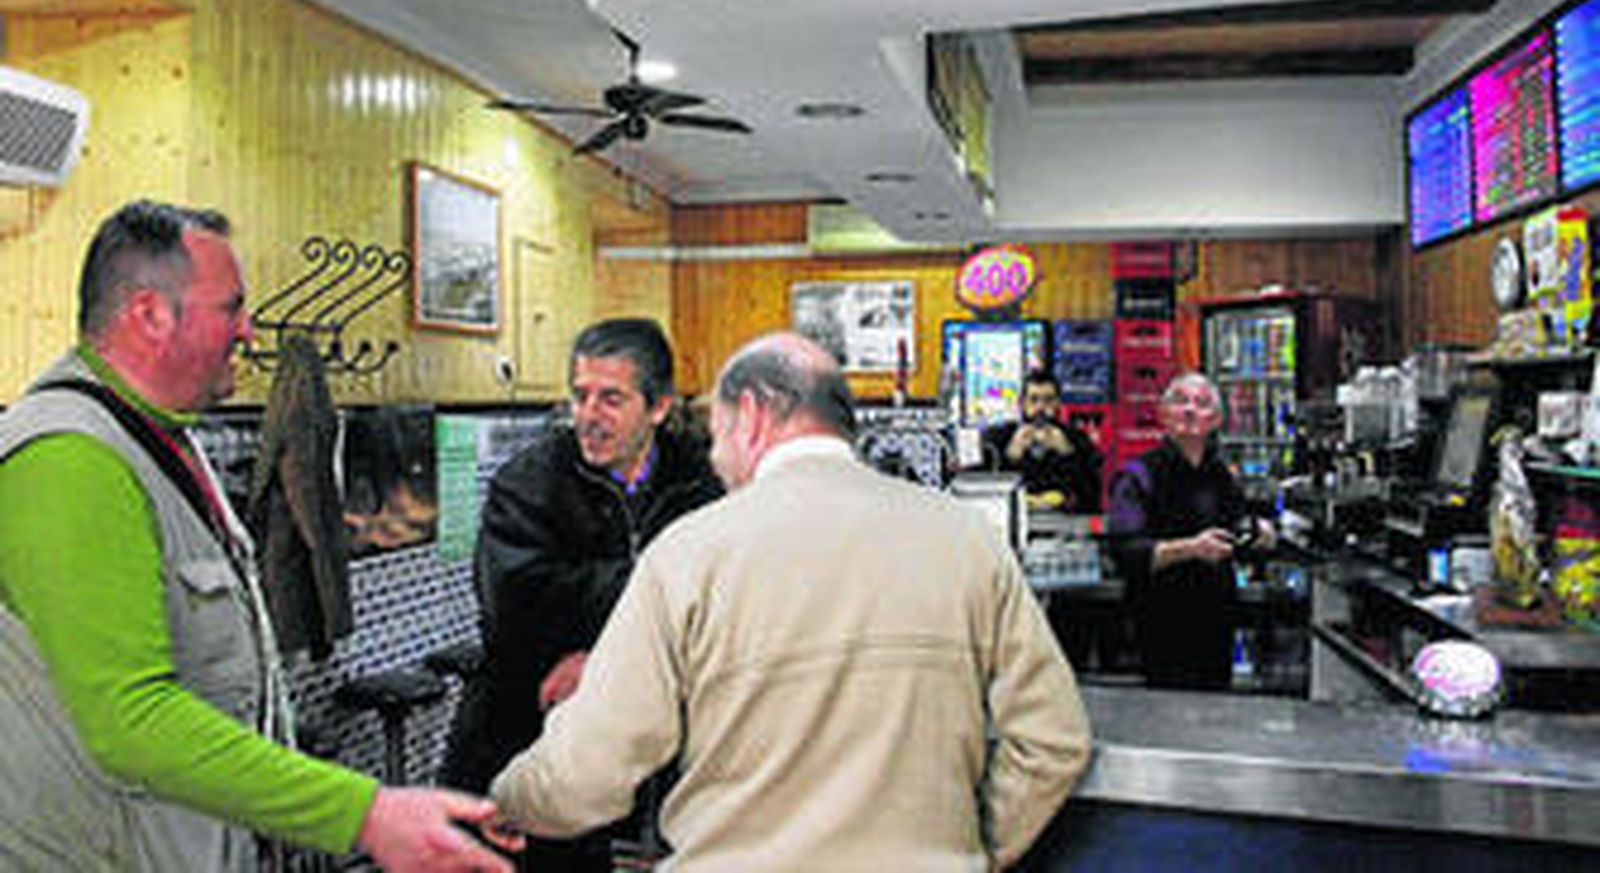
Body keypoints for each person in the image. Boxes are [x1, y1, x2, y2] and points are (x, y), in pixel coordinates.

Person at [0, 200, 514, 872]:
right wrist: (364, 811)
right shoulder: (71, 458)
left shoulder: (159, 437)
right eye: (231, 307)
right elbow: (131, 719)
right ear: (151, 314)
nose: (248, 330)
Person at [490, 332, 1092, 869]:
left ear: (751, 414)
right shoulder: (967, 538)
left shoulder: (690, 552)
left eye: (718, 433)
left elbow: (587, 774)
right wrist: (973, 851)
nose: (716, 458)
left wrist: (503, 802)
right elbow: (1054, 742)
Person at [441, 317, 723, 871]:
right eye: (581, 396)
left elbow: (723, 601)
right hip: (530, 732)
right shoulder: (529, 483)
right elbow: (517, 606)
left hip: (659, 747)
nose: (588, 417)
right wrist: (656, 586)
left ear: (659, 406)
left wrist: (602, 662)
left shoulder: (699, 482)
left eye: (611, 399)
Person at [1108, 371, 1276, 691]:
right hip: (1160, 620)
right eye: (1180, 401)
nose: (1189, 410)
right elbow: (1126, 554)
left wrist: (1260, 535)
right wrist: (1191, 549)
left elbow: (1236, 530)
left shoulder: (1222, 474)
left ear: (1215, 419)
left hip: (1216, 619)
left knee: (1214, 719)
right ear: (1162, 415)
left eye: (1201, 404)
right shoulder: (1138, 474)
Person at [984, 369, 1103, 513]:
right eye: (1033, 400)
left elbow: (1092, 497)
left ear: (1058, 403)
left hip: (1064, 523)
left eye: (1048, 400)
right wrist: (1011, 456)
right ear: (1022, 403)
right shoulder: (999, 438)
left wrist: (1068, 453)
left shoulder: (1077, 440)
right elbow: (987, 498)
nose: (1040, 408)